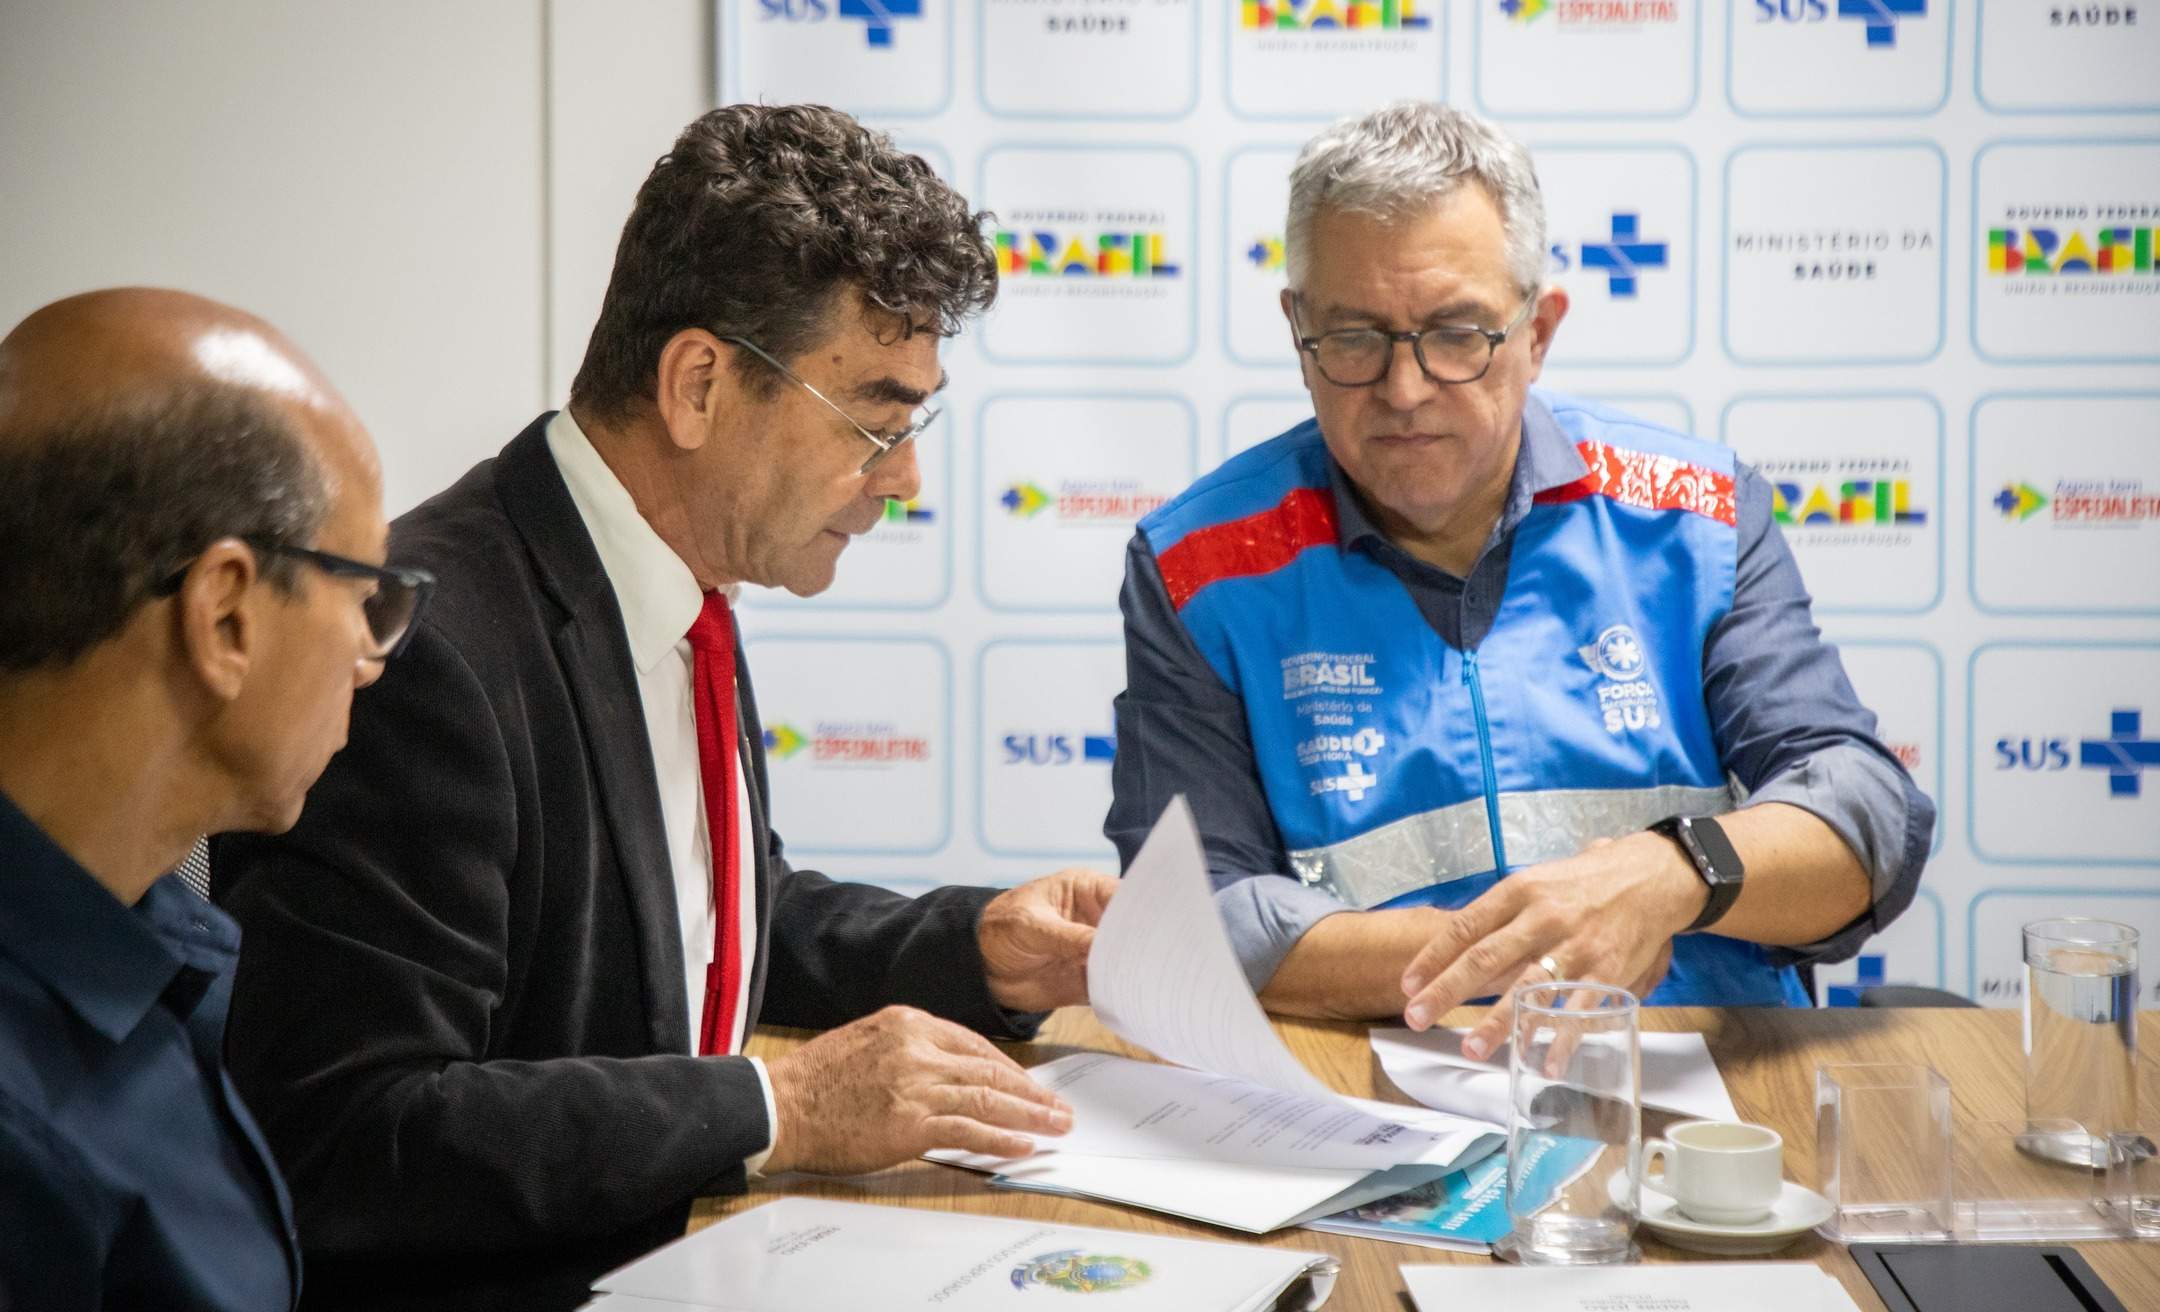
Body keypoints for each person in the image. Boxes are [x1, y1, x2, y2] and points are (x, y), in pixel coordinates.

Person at [213, 104, 1117, 1311]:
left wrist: (974, 947)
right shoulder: (431, 654)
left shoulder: (678, 588)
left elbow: (710, 928)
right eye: (875, 422)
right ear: (698, 385)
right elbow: (348, 1131)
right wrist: (774, 1107)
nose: (904, 479)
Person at [1105, 102, 1934, 1058]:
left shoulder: (1695, 514)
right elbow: (1192, 916)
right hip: (1370, 1093)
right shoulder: (1199, 566)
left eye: (1457, 333)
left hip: (1703, 1083)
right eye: (1355, 337)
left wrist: (1671, 874)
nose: (1405, 390)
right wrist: (1529, 946)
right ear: (1298, 333)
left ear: (1537, 331)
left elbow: (1864, 816)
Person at [0, 289, 412, 1310]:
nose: (371, 660)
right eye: (365, 598)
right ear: (225, 614)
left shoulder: (146, 936)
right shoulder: (23, 1143)